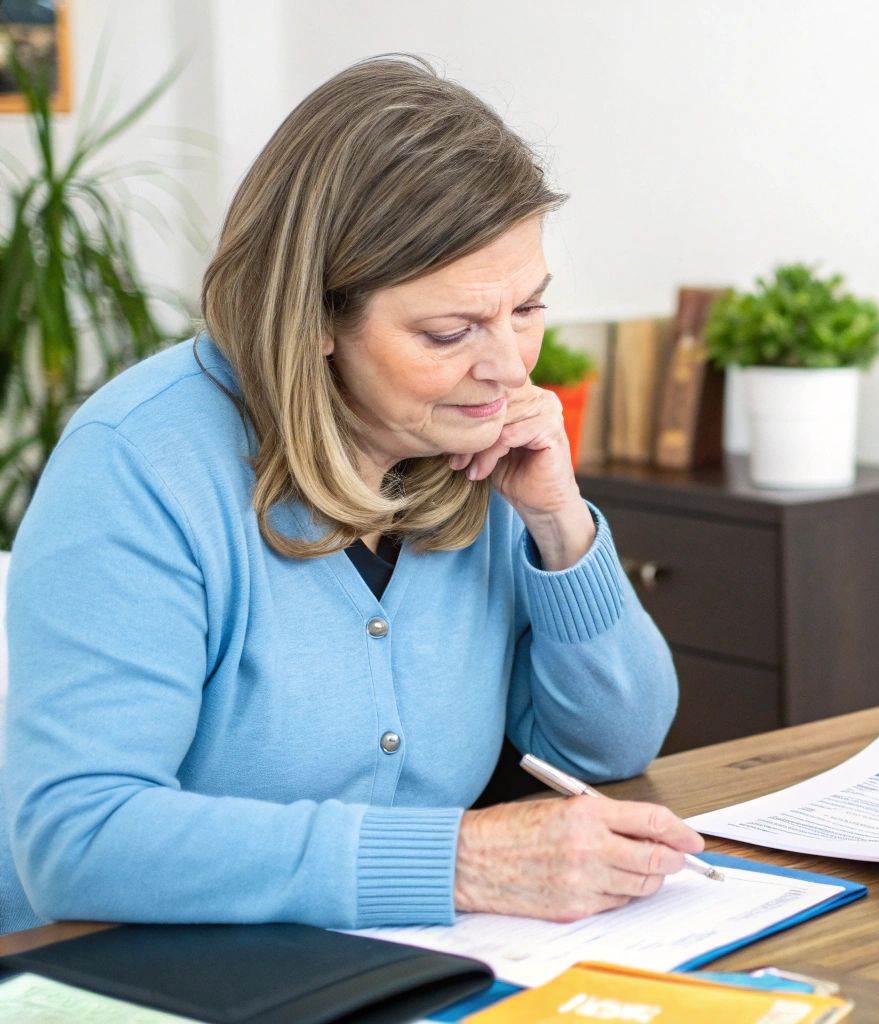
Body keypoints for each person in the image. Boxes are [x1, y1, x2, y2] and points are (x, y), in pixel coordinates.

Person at [0, 56, 705, 935]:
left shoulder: (466, 441)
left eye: (526, 310)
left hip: (374, 960)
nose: (508, 369)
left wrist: (560, 524)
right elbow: (80, 839)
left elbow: (605, 749)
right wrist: (462, 863)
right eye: (448, 332)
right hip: (125, 970)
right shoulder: (139, 465)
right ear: (316, 317)